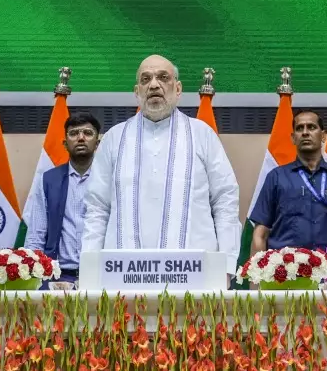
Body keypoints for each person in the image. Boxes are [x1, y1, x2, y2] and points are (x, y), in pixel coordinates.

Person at [82, 55, 242, 268]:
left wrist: (227, 264)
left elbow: (225, 201)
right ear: (136, 91)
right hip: (122, 275)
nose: (154, 85)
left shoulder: (202, 134)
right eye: (145, 79)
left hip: (194, 274)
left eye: (163, 77)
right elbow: (97, 208)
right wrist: (90, 267)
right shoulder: (115, 138)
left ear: (177, 89)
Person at [248, 108, 327, 262]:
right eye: (299, 128)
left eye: (311, 127)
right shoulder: (276, 178)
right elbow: (260, 234)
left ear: (323, 136)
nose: (305, 132)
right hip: (288, 276)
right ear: (293, 138)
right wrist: (255, 283)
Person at [23, 111, 101, 285]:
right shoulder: (49, 180)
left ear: (97, 143)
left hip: (100, 275)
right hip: (58, 277)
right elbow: (36, 235)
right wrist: (33, 279)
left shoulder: (109, 179)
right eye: (74, 133)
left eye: (87, 133)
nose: (81, 138)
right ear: (65, 143)